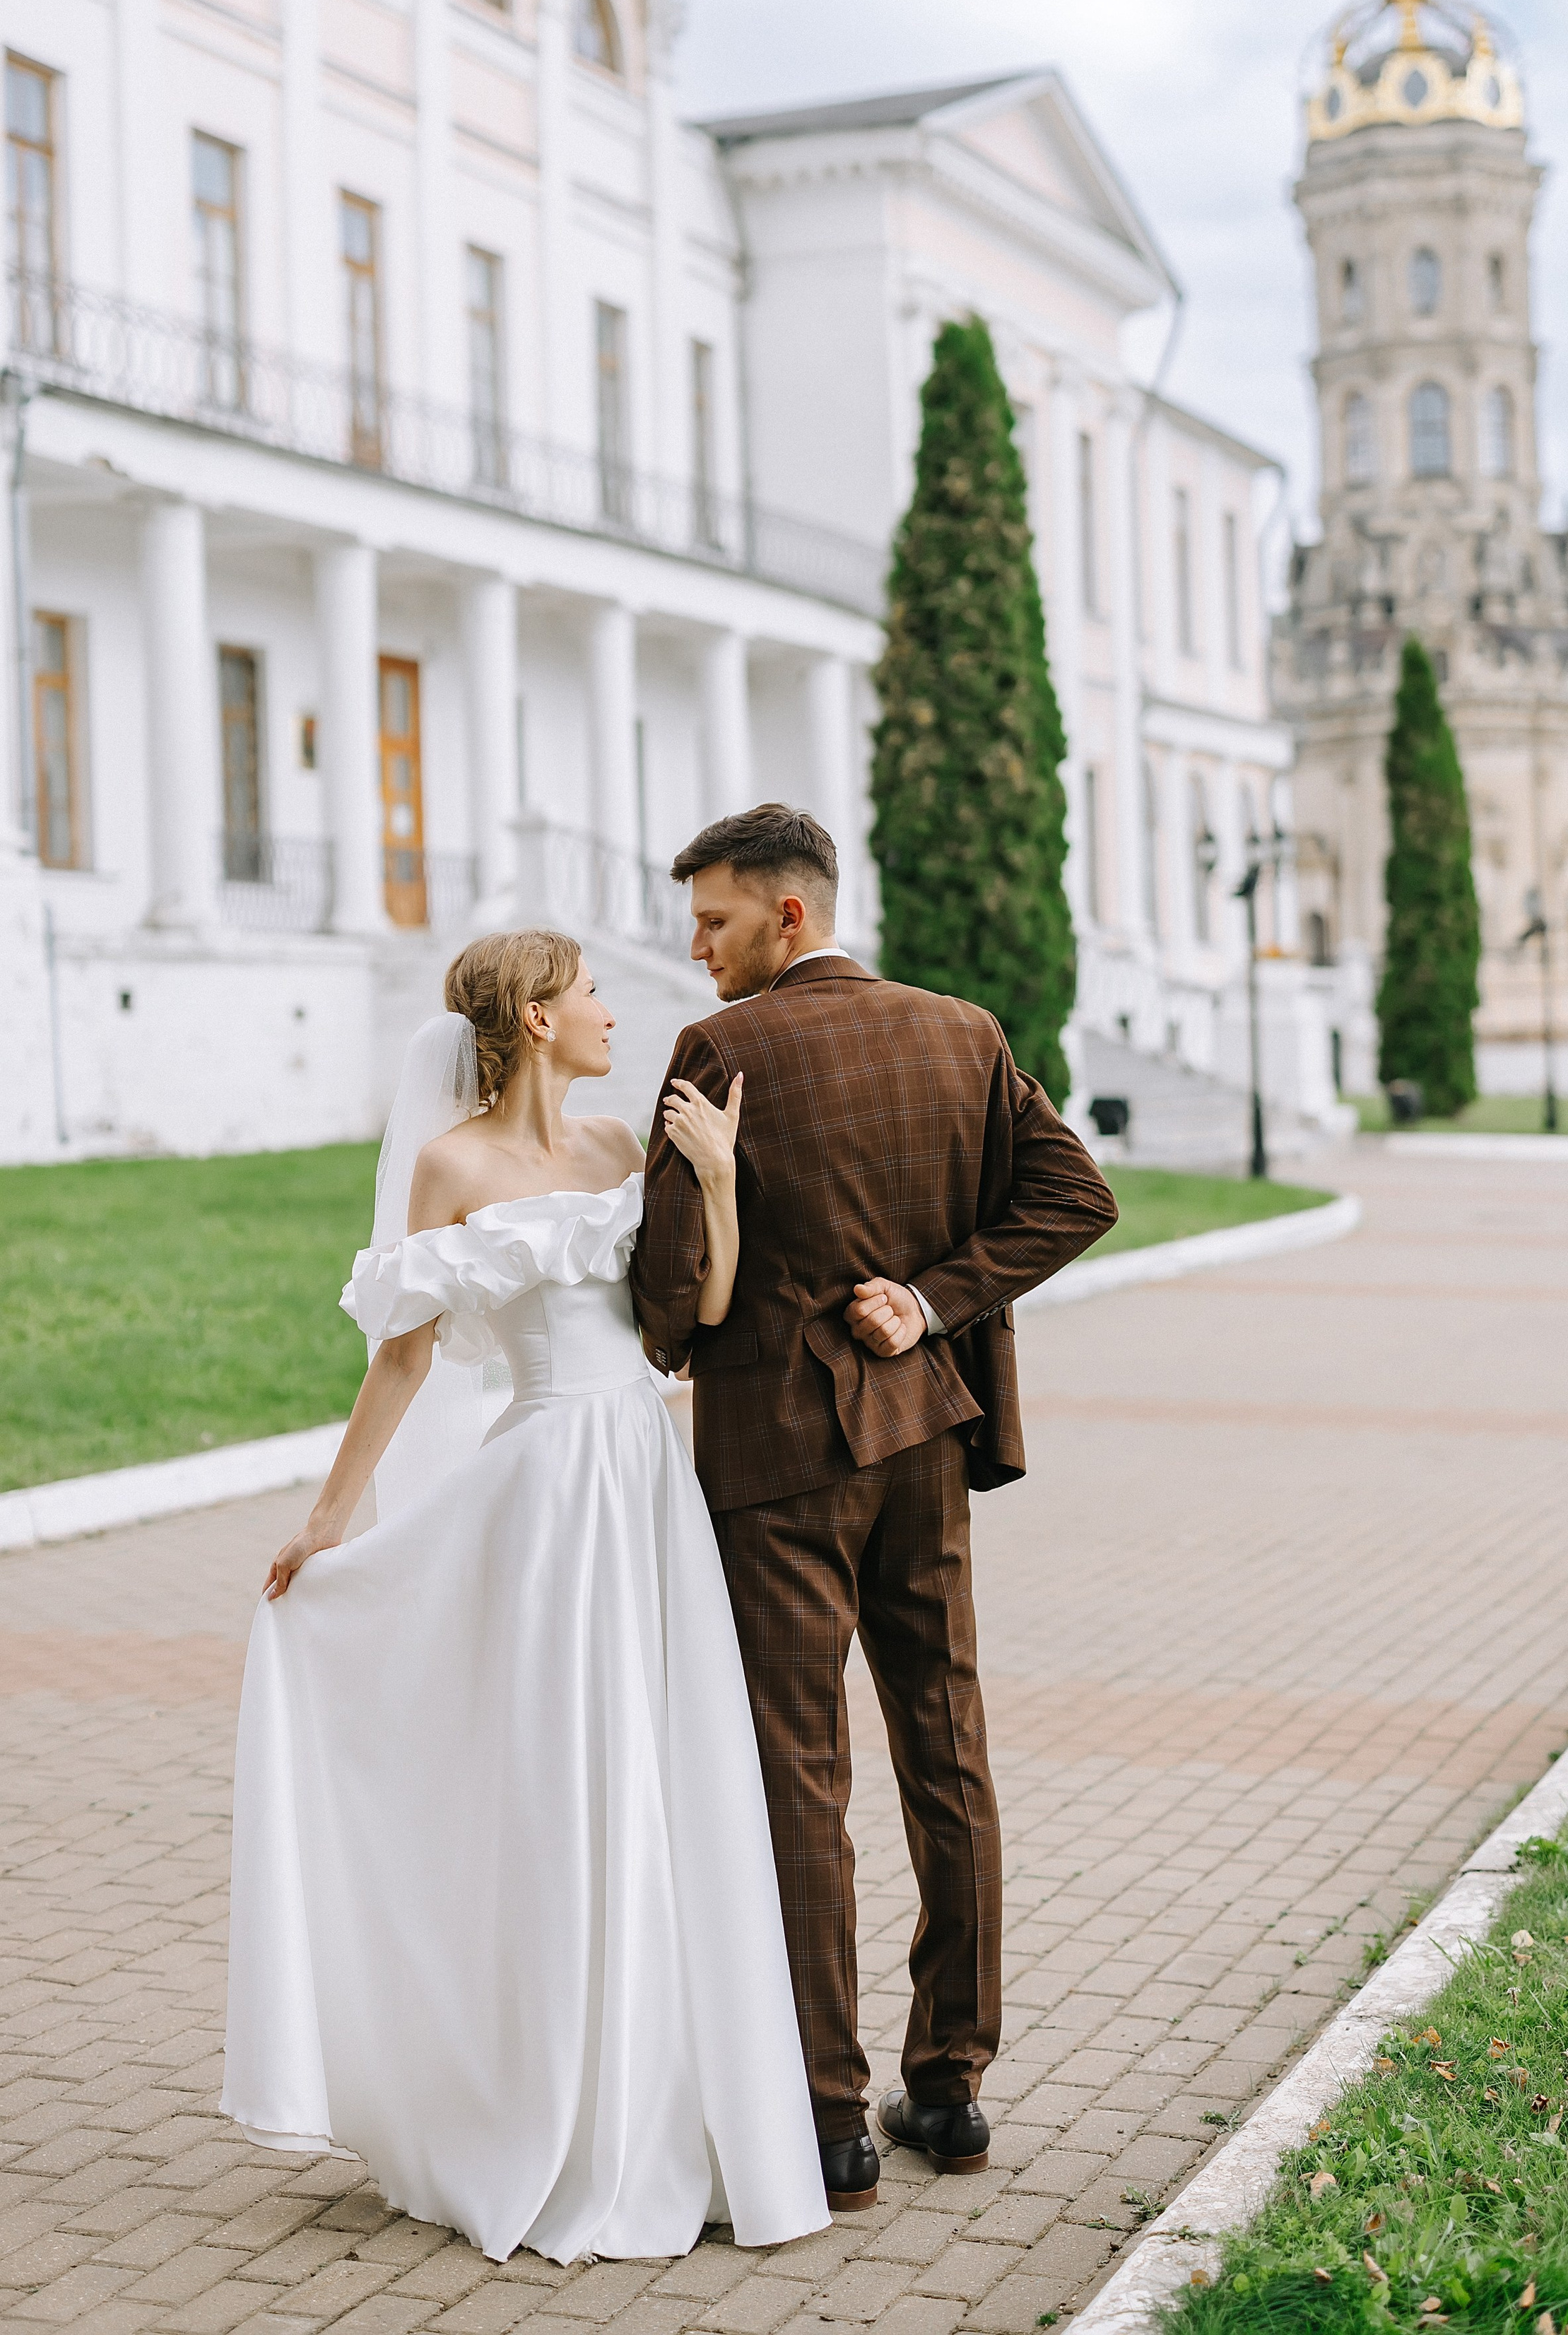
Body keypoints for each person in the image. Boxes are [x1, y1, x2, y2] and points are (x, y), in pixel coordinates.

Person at [220, 929, 830, 2264]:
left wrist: (718, 1187)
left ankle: (676, 2104)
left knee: (668, 1774)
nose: (617, 1010)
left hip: (647, 1482)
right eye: (596, 993)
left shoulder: (623, 1150)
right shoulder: (450, 1168)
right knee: (567, 1779)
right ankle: (541, 2104)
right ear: (541, 1019)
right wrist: (331, 1518)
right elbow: (404, 1358)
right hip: (546, 1493)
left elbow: (695, 1322)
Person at [632, 806, 1117, 2212]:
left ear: (788, 916)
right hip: (924, 1439)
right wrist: (933, 1299)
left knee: (800, 1771)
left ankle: (830, 2116)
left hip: (779, 1459)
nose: (695, 945)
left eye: (714, 918)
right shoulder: (961, 1032)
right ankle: (952, 2089)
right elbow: (1069, 1194)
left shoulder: (721, 1053)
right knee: (945, 1748)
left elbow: (669, 1304)